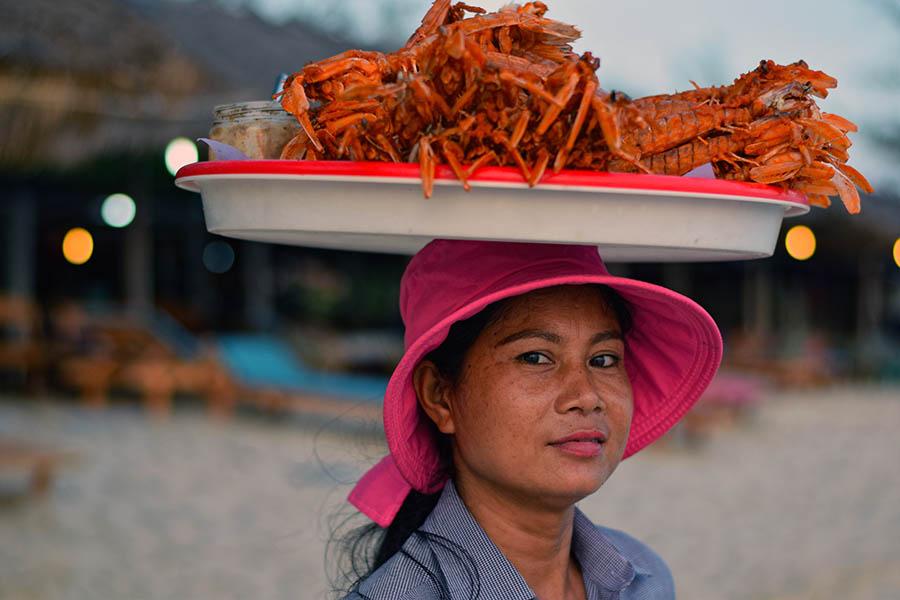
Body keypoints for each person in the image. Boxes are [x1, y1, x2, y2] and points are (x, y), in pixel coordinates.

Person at [337, 239, 722, 599]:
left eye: (603, 359)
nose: (586, 397)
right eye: (536, 357)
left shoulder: (643, 579)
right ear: (440, 396)